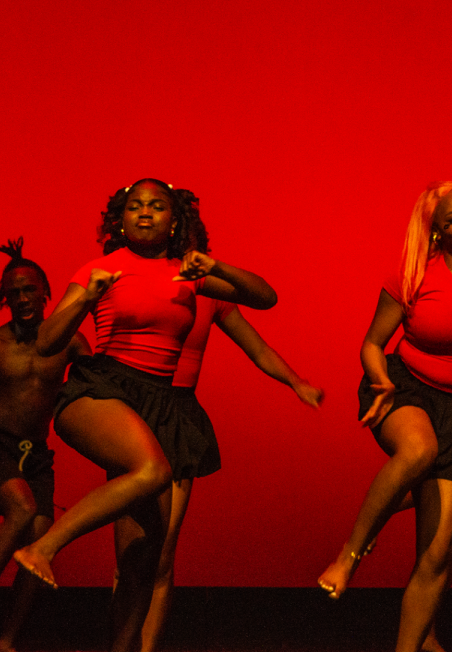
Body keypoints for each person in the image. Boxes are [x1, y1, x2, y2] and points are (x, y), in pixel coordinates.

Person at [14, 178, 277, 652]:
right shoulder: (100, 269)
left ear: (174, 220)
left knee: (143, 559)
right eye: (135, 206)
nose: (145, 213)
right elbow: (49, 343)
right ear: (120, 219)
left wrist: (216, 265)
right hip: (104, 388)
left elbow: (265, 297)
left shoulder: (189, 274)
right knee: (152, 470)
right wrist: (86, 299)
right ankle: (43, 547)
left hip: (161, 402)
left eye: (157, 207)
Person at [317, 181, 452, 652]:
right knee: (419, 450)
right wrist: (381, 382)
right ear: (437, 234)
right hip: (405, 386)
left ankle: (414, 643)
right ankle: (348, 558)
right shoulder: (415, 273)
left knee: (438, 552)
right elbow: (372, 344)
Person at [116, 194, 324, 652]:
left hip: (178, 416)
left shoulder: (207, 292)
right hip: (133, 411)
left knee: (163, 553)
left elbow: (259, 345)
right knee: (132, 552)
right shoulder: (129, 278)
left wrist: (297, 383)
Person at [0, 240, 90, 650]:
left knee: (41, 538)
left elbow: (92, 397)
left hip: (37, 453)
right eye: (14, 293)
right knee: (22, 508)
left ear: (46, 291)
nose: (23, 299)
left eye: (30, 290)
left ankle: (8, 640)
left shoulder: (72, 342)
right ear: (3, 298)